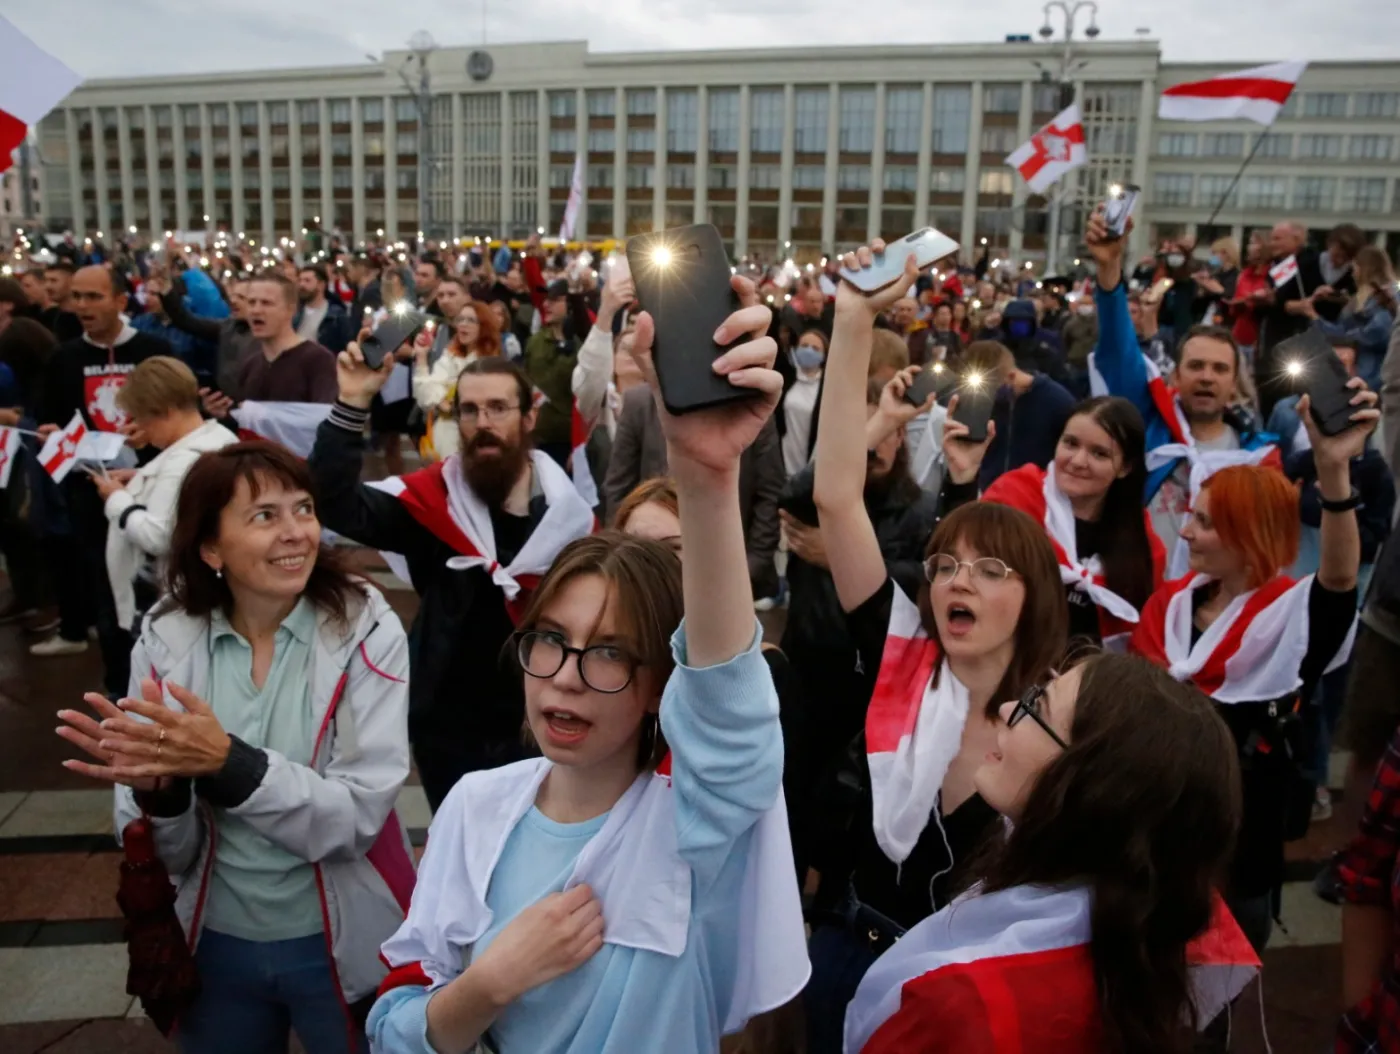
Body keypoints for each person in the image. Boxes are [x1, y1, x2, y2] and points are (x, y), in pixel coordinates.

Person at [367, 280, 808, 1054]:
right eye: (550, 641)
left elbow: (729, 712)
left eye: (609, 653)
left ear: (658, 688)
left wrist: (705, 473)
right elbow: (393, 1029)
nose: (566, 676)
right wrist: (490, 984)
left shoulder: (697, 821)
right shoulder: (475, 806)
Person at [55, 441, 413, 1054]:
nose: (296, 533)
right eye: (264, 516)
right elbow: (168, 852)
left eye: (303, 509)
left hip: (344, 939)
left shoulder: (364, 628)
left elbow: (355, 819)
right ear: (211, 548)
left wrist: (229, 764)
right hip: (214, 939)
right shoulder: (168, 637)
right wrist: (160, 797)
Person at [806, 239, 1067, 1053]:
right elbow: (834, 494)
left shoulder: (1059, 718)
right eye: (946, 565)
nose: (958, 581)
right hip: (850, 952)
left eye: (991, 570)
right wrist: (854, 318)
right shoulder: (903, 654)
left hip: (966, 996)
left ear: (1034, 602)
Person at [843, 653, 1252, 1053]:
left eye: (1036, 707)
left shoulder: (961, 1006)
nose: (1006, 709)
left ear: (1096, 790)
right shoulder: (1144, 942)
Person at [1130, 384, 1376, 953]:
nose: (1186, 533)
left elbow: (1339, 581)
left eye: (1206, 523)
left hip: (1237, 848)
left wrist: (1333, 473)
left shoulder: (1289, 622)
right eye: (1191, 517)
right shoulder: (1169, 607)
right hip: (1148, 836)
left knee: (1220, 982)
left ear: (1249, 535)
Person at [309, 354, 595, 811]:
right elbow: (334, 502)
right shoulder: (433, 503)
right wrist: (353, 402)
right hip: (446, 724)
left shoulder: (568, 519)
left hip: (538, 722)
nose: (483, 423)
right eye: (469, 410)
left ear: (528, 417)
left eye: (498, 408)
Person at [1086, 209, 1276, 575]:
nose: (1207, 377)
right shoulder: (1148, 425)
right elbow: (1119, 349)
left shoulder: (1255, 457)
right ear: (1174, 376)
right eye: (1195, 366)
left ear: (1235, 382)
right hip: (1140, 595)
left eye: (1220, 369)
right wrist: (1110, 271)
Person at [33, 267, 169, 686]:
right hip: (89, 496)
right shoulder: (63, 357)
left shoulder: (155, 350)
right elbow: (48, 418)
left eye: (93, 297)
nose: (82, 307)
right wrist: (51, 434)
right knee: (108, 591)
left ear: (120, 302)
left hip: (152, 489)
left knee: (161, 589)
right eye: (76, 297)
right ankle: (119, 685)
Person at [942, 394, 1164, 649]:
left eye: (1099, 454)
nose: (1078, 461)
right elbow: (954, 559)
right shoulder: (1014, 497)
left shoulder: (1144, 545)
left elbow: (1145, 638)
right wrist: (963, 480)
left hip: (1094, 681)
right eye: (1070, 443)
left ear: (1125, 467)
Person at [601, 371, 783, 602]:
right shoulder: (640, 403)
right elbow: (618, 486)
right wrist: (622, 561)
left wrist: (749, 567)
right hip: (646, 579)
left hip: (729, 571)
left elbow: (770, 493)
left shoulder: (748, 408)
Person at [96, 357, 239, 634]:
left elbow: (158, 536)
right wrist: (142, 479)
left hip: (170, 605)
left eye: (141, 418)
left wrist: (117, 500)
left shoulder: (184, 461)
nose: (141, 428)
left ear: (165, 411)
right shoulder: (220, 438)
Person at [201, 271, 338, 420]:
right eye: (252, 302)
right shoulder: (251, 366)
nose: (256, 310)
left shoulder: (318, 360)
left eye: (266, 303)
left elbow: (323, 422)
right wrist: (223, 413)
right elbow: (247, 423)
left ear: (290, 309)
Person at [958, 338, 1076, 491]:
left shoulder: (1057, 401)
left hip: (1036, 496)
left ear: (1011, 376)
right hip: (990, 492)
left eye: (991, 391)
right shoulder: (979, 401)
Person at [413, 301, 503, 461]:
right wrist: (421, 357)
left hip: (473, 439)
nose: (463, 325)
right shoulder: (449, 356)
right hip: (442, 437)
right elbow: (424, 397)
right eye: (460, 320)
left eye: (470, 320)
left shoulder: (490, 362)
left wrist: (443, 397)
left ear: (484, 326)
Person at [151, 271, 258, 402]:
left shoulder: (275, 336)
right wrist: (167, 292)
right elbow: (186, 321)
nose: (233, 301)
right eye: (233, 296)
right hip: (226, 407)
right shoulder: (226, 327)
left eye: (241, 297)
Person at [1300, 245, 1396, 390]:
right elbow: (1344, 329)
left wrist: (1315, 318)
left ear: (1365, 268)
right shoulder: (1360, 299)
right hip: (1357, 370)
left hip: (1374, 375)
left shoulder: (1390, 297)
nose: (1352, 274)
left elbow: (1376, 333)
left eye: (1355, 268)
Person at [780, 328, 826, 477]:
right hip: (784, 463)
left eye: (815, 348)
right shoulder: (786, 380)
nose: (809, 351)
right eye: (804, 346)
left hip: (811, 467)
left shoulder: (827, 388)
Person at [294, 264, 354, 354]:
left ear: (321, 285)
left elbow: (348, 344)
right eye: (300, 280)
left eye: (307, 281)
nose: (302, 285)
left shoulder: (336, 315)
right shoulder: (294, 313)